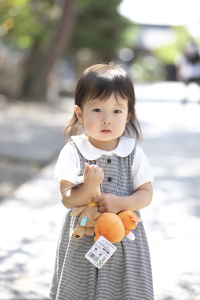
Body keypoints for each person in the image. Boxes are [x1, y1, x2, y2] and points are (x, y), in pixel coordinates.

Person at [49, 63, 154, 300]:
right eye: (97, 110)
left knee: (125, 290)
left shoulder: (133, 152)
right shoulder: (74, 151)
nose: (107, 119)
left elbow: (146, 193)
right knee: (79, 290)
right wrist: (87, 186)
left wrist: (122, 202)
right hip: (82, 240)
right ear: (80, 113)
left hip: (124, 241)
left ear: (128, 115)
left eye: (116, 111)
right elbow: (67, 199)